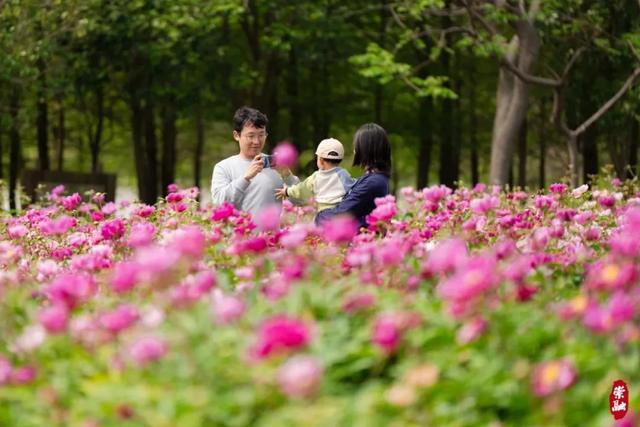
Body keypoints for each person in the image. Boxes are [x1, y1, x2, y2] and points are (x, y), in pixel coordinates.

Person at [210, 106, 299, 217]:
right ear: (236, 135)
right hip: (239, 234)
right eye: (251, 136)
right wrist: (245, 178)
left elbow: (301, 201)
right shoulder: (224, 167)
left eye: (261, 135)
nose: (256, 141)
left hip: (271, 234)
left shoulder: (276, 164)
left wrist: (287, 176)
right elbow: (219, 204)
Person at [315, 123, 391, 229]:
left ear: (366, 149)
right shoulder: (376, 179)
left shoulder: (372, 182)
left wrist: (320, 215)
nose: (355, 150)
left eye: (357, 145)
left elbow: (338, 215)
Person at [274, 138, 355, 212]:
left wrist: (286, 191)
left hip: (322, 213)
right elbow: (354, 186)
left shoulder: (316, 177)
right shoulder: (343, 174)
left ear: (321, 160)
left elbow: (301, 189)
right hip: (340, 211)